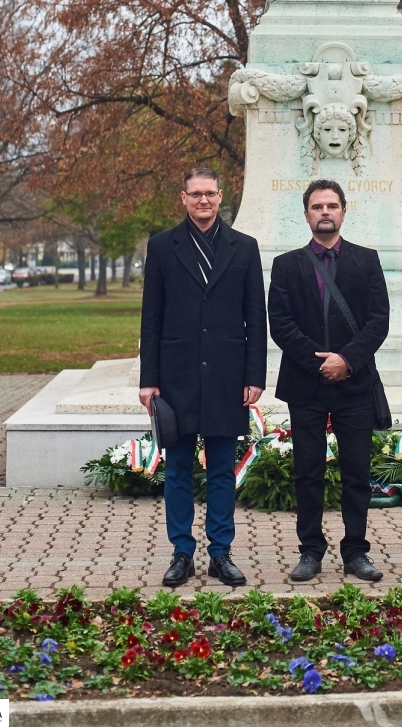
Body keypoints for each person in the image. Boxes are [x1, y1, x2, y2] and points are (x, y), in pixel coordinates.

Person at [139, 167, 266, 587]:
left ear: (220, 196)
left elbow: (255, 316)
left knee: (221, 470)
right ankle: (182, 552)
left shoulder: (244, 247)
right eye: (195, 194)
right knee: (177, 469)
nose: (203, 201)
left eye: (210, 193)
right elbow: (151, 316)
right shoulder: (162, 246)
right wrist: (148, 379)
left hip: (227, 376)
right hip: (176, 375)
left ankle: (220, 553)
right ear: (183, 198)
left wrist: (254, 375)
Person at [268, 179, 389, 581]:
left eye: (332, 206)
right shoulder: (286, 265)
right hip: (306, 384)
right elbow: (280, 323)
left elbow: (378, 321)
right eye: (317, 206)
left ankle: (355, 551)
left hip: (354, 384)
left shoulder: (367, 260)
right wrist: (319, 363)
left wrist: (346, 360)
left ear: (343, 211)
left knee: (357, 471)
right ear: (306, 214)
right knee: (308, 472)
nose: (325, 212)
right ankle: (310, 550)